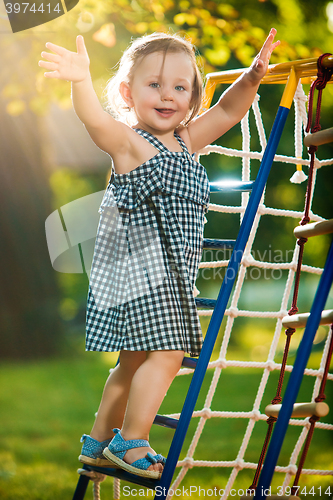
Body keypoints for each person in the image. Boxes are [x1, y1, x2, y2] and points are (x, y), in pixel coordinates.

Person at [39, 28, 280, 479]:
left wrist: (252, 77)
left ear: (191, 98)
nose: (167, 96)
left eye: (180, 87)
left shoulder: (187, 142)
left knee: (132, 360)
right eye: (154, 85)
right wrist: (80, 82)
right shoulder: (131, 144)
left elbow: (228, 110)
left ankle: (98, 439)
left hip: (160, 274)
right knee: (169, 354)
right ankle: (132, 441)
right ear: (128, 93)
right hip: (142, 270)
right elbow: (95, 120)